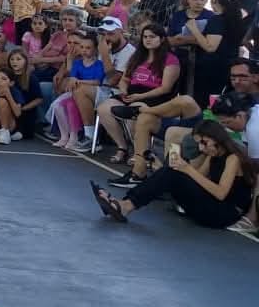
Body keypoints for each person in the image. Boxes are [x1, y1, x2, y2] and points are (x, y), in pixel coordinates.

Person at [92, 120, 256, 229]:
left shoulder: (233, 158)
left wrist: (186, 169)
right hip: (214, 207)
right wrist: (164, 169)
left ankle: (126, 206)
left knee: (175, 173)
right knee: (172, 172)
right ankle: (125, 204)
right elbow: (195, 181)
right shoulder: (213, 156)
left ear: (217, 139)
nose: (201, 148)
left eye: (204, 143)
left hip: (226, 214)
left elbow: (221, 193)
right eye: (199, 143)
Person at [95, 22, 182, 181]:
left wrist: (139, 97)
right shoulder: (137, 57)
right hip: (132, 93)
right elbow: (125, 79)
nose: (148, 40)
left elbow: (165, 88)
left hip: (154, 96)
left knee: (135, 110)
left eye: (152, 37)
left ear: (162, 39)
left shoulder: (171, 59)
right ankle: (122, 146)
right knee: (104, 108)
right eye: (145, 37)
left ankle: (140, 153)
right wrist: (124, 90)